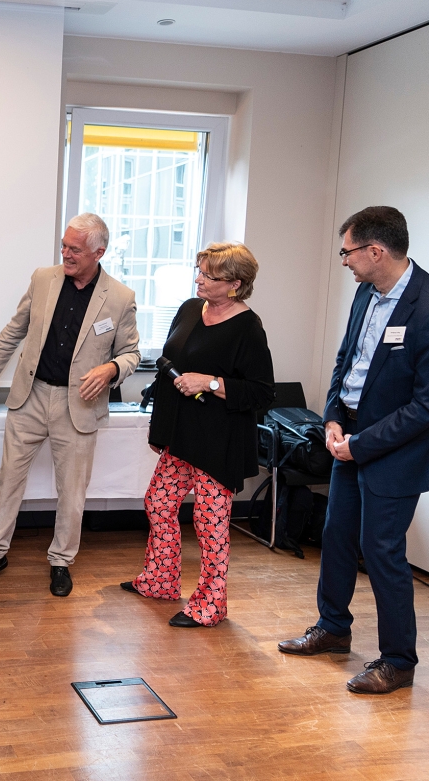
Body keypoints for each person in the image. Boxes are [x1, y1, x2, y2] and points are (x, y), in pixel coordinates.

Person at [279, 206, 429, 694]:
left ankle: (398, 661)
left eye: (347, 252)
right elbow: (346, 361)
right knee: (337, 534)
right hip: (348, 436)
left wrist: (361, 445)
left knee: (381, 550)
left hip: (396, 449)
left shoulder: (426, 305)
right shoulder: (366, 293)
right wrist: (331, 419)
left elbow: (425, 406)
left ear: (375, 251)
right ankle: (333, 629)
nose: (343, 261)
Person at [0, 213, 140, 596]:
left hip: (78, 404)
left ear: (98, 253)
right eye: (63, 246)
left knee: (72, 491)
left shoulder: (120, 297)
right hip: (30, 395)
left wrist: (111, 368)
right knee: (8, 479)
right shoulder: (43, 278)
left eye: (75, 249)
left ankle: (61, 561)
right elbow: (16, 328)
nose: (66, 254)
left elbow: (131, 353)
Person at [121, 243, 274, 628]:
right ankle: (160, 580)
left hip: (217, 443)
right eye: (199, 271)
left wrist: (211, 382)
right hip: (179, 436)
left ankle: (211, 604)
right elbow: (168, 369)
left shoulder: (248, 327)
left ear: (235, 284)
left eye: (209, 275)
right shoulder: (191, 309)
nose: (199, 280)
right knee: (158, 503)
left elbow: (261, 392)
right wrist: (160, 429)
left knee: (210, 523)